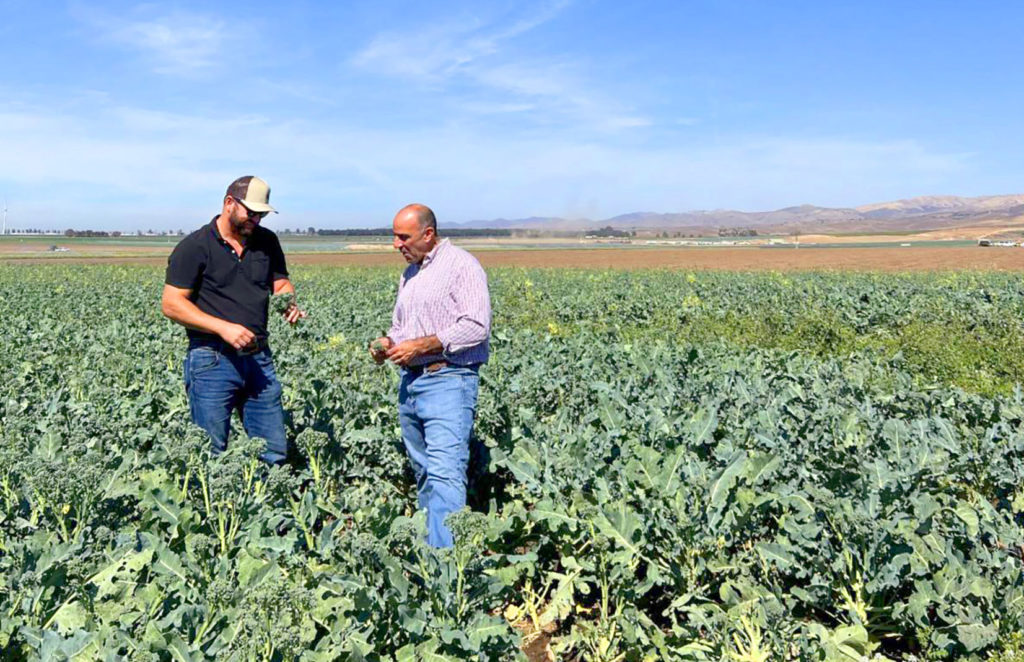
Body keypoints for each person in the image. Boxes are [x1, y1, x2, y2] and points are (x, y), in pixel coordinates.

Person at [370, 204, 491, 548]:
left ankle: (449, 568)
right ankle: (431, 552)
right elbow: (400, 328)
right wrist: (388, 344)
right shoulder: (410, 273)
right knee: (424, 471)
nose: (396, 244)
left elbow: (476, 327)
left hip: (449, 381)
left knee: (445, 474)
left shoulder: (462, 266)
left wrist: (423, 346)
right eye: (394, 236)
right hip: (412, 385)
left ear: (428, 234)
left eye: (403, 237)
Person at [161, 176, 304, 464]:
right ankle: (215, 508)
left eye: (261, 214)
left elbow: (280, 282)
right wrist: (223, 328)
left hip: (258, 358)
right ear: (229, 203)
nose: (256, 219)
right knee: (210, 453)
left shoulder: (267, 242)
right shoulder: (195, 246)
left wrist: (288, 303)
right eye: (251, 212)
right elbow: (172, 304)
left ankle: (267, 506)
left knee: (273, 450)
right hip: (211, 359)